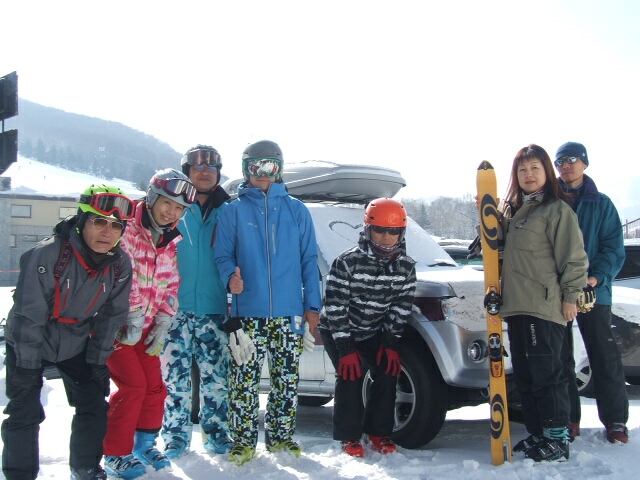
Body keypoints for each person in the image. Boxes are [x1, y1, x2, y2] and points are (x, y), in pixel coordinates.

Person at [2, 184, 134, 480]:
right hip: (30, 339)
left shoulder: (119, 264)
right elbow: (28, 314)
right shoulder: (48, 254)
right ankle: (19, 474)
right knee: (24, 410)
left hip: (75, 341)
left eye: (116, 226)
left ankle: (85, 467)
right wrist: (26, 366)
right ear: (82, 221)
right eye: (99, 222)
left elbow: (112, 316)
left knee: (93, 404)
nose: (107, 232)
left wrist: (98, 360)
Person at [214, 139, 321, 465]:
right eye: (255, 167)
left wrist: (312, 308)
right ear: (245, 170)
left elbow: (309, 261)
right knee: (243, 382)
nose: (263, 174)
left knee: (286, 382)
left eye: (270, 167)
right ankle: (243, 442)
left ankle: (281, 438)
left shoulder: (297, 210)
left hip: (289, 315)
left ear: (280, 170)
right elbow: (222, 255)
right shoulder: (232, 211)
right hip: (248, 314)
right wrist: (229, 278)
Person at [102, 169, 196, 478]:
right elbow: (116, 274)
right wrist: (130, 313)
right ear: (153, 198)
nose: (172, 212)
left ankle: (143, 445)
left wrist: (164, 319)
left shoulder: (169, 239)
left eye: (180, 208)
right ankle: (116, 453)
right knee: (133, 387)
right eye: (168, 203)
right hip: (115, 328)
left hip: (146, 328)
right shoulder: (126, 228)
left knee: (155, 388)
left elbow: (171, 282)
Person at [499, 144, 588, 462]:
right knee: (525, 376)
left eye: (535, 168)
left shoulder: (557, 210)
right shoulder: (514, 213)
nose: (529, 174)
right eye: (522, 169)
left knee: (548, 375)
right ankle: (538, 433)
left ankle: (557, 438)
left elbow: (574, 259)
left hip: (544, 306)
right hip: (517, 306)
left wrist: (570, 297)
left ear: (547, 172)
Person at [318, 198, 417, 458]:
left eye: (393, 231)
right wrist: (345, 348)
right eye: (380, 230)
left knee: (387, 371)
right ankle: (349, 436)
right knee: (351, 374)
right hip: (339, 328)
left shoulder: (406, 267)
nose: (386, 237)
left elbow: (401, 307)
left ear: (401, 232)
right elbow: (335, 305)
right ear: (368, 229)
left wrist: (389, 343)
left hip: (373, 330)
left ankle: (378, 432)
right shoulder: (347, 262)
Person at [160, 145, 234, 458]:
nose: (204, 172)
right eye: (197, 167)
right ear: (187, 172)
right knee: (174, 380)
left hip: (215, 308)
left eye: (211, 167)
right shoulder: (173, 207)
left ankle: (217, 435)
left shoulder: (229, 210)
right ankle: (175, 437)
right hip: (173, 310)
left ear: (218, 173)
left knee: (216, 379)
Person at [555, 141, 628, 444]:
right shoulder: (549, 200)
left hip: (594, 293)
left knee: (604, 356)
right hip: (557, 293)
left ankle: (615, 421)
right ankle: (568, 418)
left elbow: (614, 248)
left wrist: (594, 278)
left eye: (571, 160)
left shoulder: (602, 203)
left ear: (584, 163)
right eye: (560, 161)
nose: (566, 166)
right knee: (561, 358)